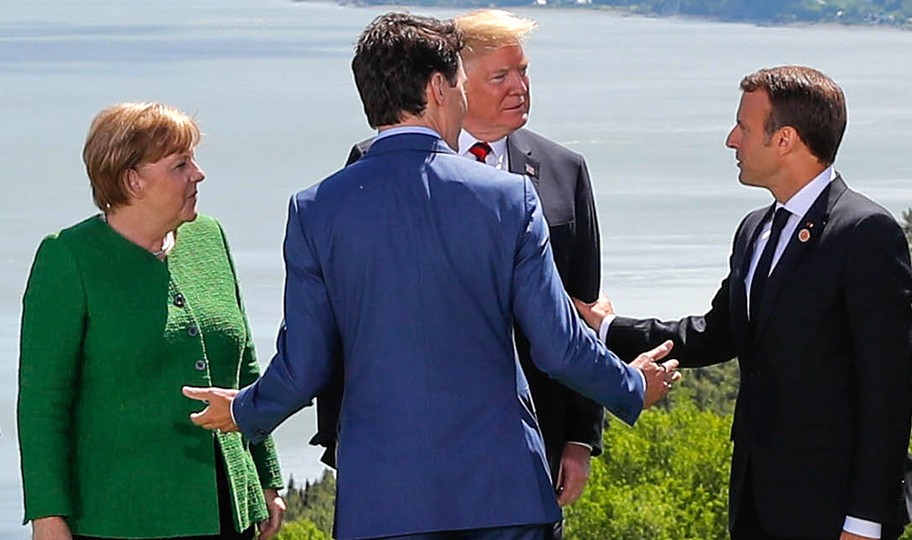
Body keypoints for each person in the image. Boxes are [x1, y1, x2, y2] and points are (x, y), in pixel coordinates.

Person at [183, 13, 679, 540]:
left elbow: (304, 366)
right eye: (462, 86)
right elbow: (558, 345)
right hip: (504, 495)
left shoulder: (316, 209)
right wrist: (631, 385)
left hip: (382, 503)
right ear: (439, 88)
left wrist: (244, 410)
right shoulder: (510, 200)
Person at [576, 66, 912, 540]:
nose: (731, 140)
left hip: (833, 511)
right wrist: (607, 328)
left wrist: (864, 521)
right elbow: (717, 334)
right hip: (757, 501)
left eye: (743, 126)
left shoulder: (865, 233)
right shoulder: (755, 229)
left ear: (786, 140)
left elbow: (890, 392)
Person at [313, 8, 606, 513]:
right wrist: (340, 438)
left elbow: (581, 314)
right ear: (450, 84)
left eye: (524, 71)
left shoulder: (564, 171)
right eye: (501, 76)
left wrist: (580, 439)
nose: (521, 87)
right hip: (401, 450)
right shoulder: (371, 162)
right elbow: (342, 313)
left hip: (530, 446)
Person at [17, 102, 285, 540]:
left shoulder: (209, 238)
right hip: (120, 519)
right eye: (181, 164)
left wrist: (266, 477)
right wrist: (48, 515)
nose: (198, 174)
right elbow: (43, 403)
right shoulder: (68, 258)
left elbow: (245, 368)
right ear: (132, 179)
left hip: (228, 511)